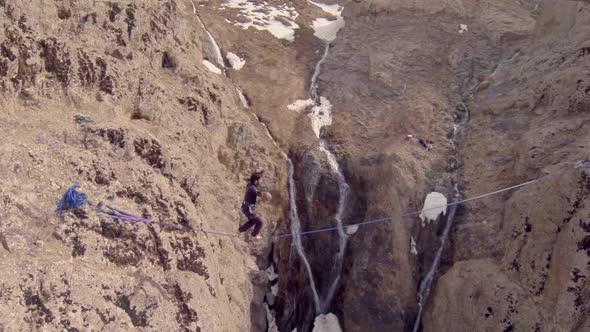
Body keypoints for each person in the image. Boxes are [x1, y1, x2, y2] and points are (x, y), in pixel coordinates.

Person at [239, 171, 271, 240]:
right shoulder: (252, 188)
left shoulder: (251, 185)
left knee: (253, 221)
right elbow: (258, 193)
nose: (262, 181)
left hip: (246, 207)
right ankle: (254, 234)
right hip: (248, 208)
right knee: (260, 221)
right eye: (260, 179)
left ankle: (240, 230)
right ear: (256, 181)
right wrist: (266, 194)